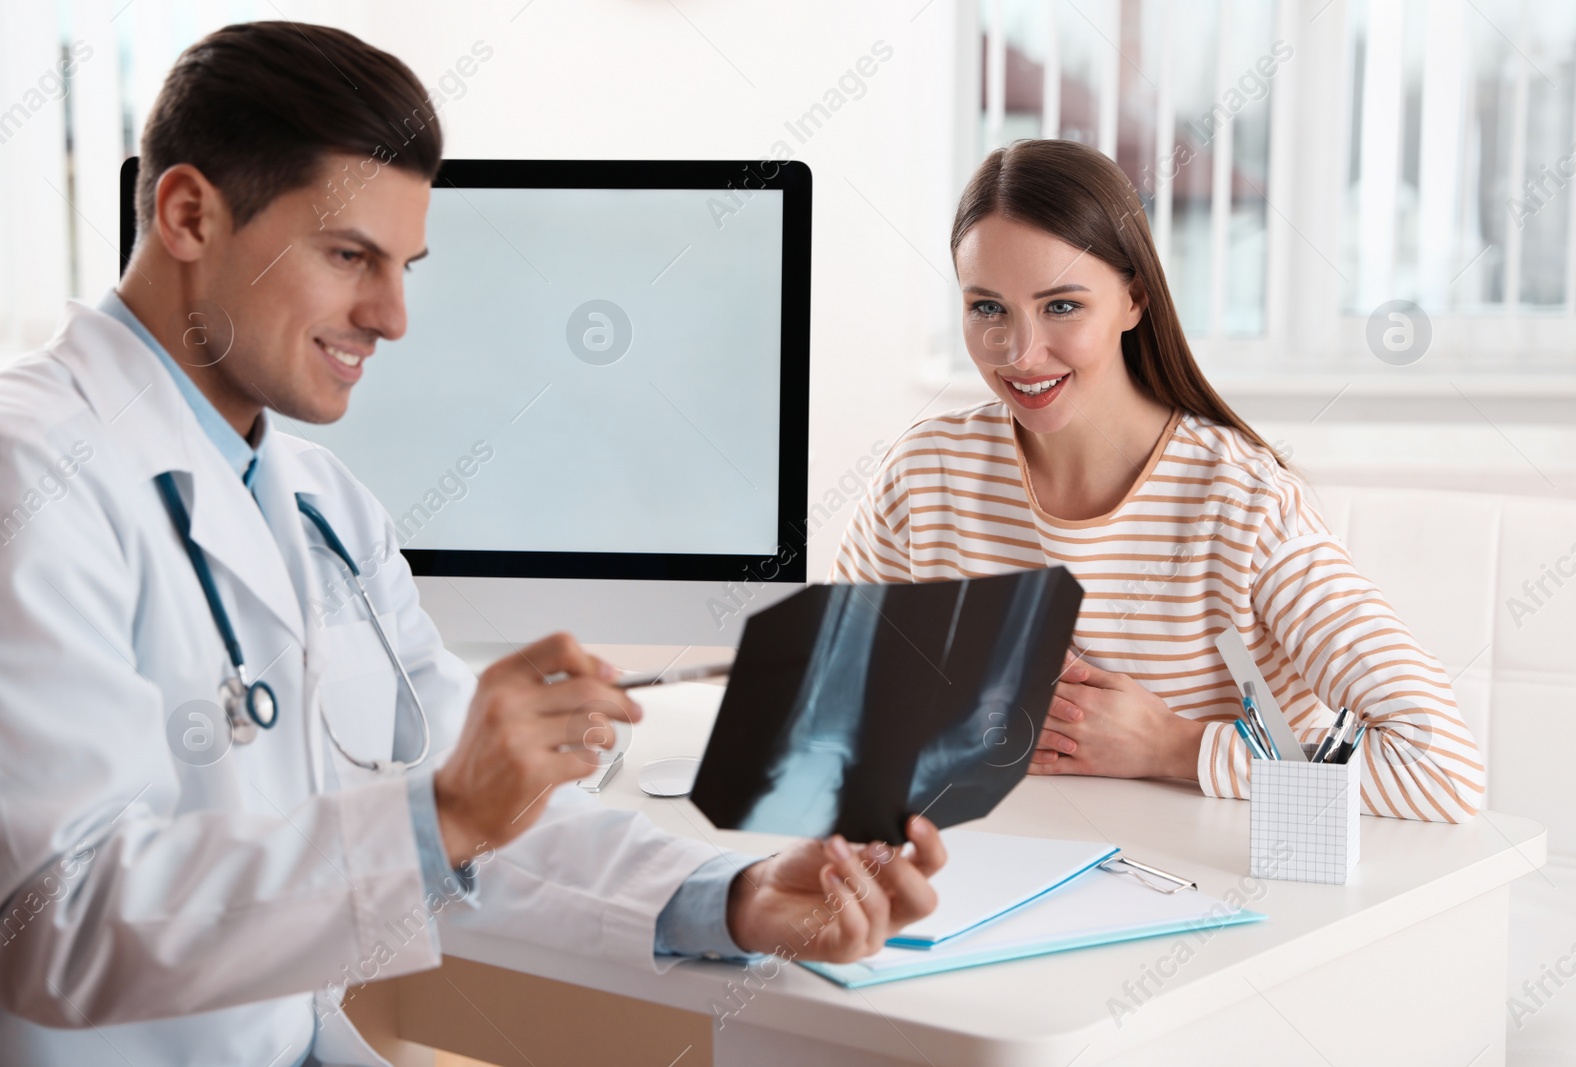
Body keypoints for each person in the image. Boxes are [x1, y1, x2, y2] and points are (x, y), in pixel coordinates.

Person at [0, 22, 945, 1066]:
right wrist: (441, 815)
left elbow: (475, 809)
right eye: (349, 254)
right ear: (189, 214)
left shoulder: (323, 508)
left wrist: (730, 896)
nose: (394, 316)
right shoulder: (31, 475)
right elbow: (56, 922)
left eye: (404, 264)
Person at [833, 139, 1484, 823]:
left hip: (1216, 897)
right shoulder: (928, 472)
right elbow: (830, 700)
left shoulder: (1246, 505)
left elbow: (1440, 769)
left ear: (1135, 299)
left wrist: (1172, 746)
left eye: (1061, 306)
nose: (1020, 354)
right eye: (988, 309)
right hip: (986, 874)